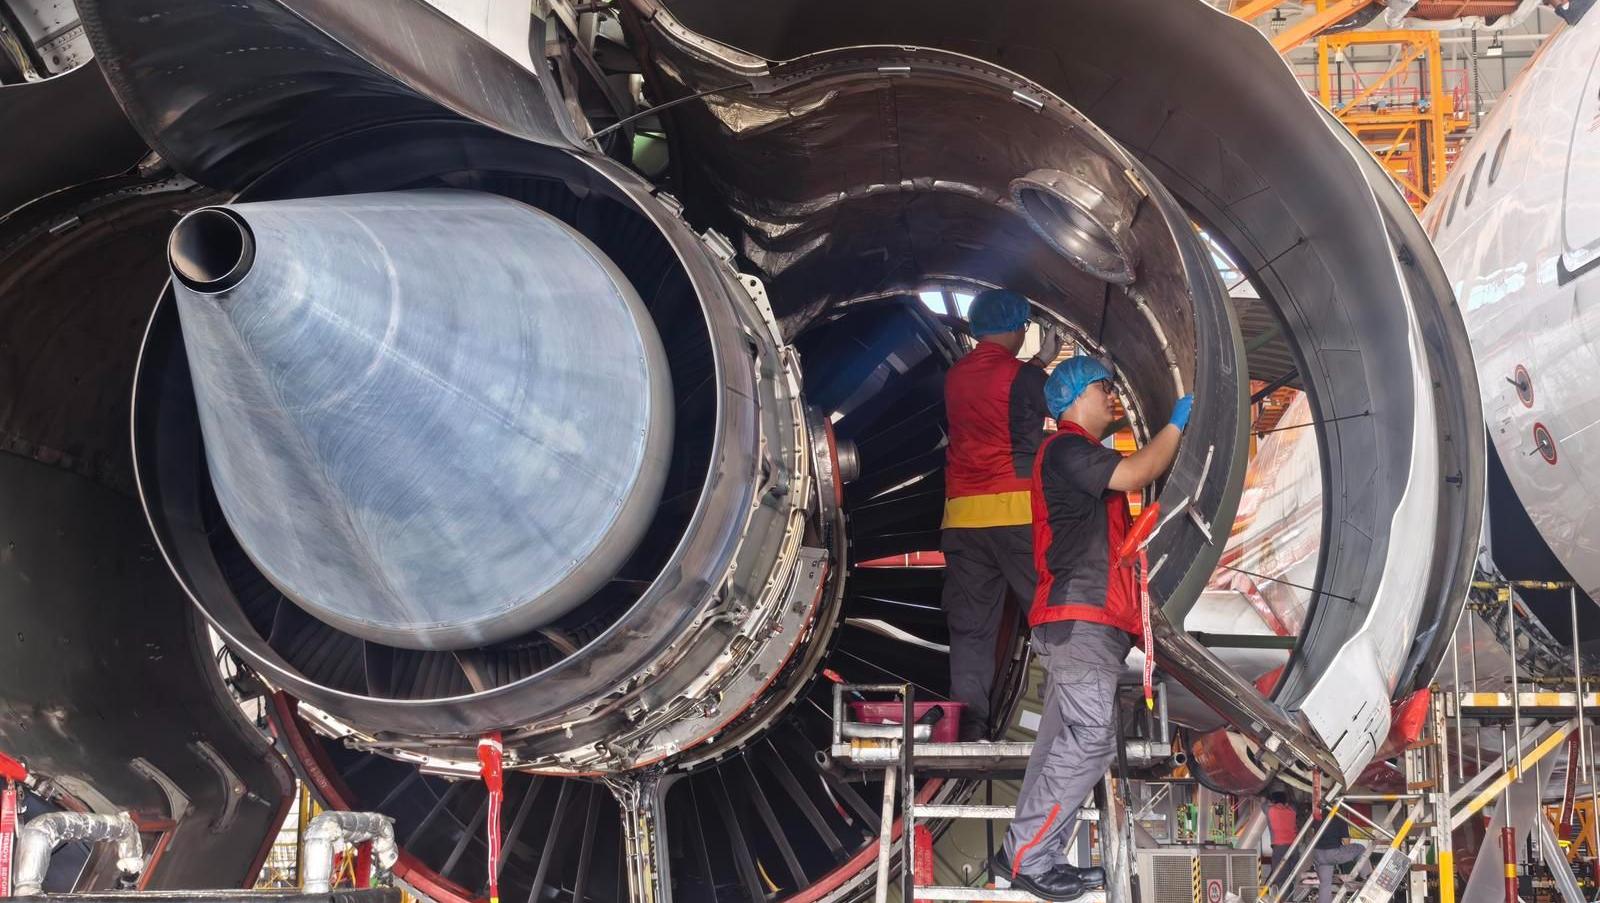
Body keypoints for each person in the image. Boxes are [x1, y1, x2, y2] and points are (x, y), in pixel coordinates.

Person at [990, 357, 1192, 902]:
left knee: (1058, 744)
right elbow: (1136, 472)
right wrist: (1176, 426)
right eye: (1104, 386)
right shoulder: (1066, 449)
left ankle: (1024, 854)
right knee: (1090, 738)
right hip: (1080, 619)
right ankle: (1031, 855)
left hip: (1080, 622)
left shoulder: (1073, 455)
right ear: (1077, 396)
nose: (1113, 396)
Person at [941, 288, 1063, 742]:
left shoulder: (955, 376)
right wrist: (1047, 365)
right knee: (1049, 615)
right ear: (1017, 328)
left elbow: (997, 390)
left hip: (962, 519)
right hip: (1016, 514)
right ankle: (1071, 712)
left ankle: (970, 725)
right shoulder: (1023, 377)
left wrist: (1036, 364)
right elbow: (1064, 405)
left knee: (972, 628)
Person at [1310, 815, 1366, 903]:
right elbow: (1346, 843)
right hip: (1332, 853)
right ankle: (1366, 876)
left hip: (1318, 853)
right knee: (1360, 848)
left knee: (1325, 884)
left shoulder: (1317, 817)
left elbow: (1312, 835)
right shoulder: (1340, 818)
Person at [1266, 791, 1298, 877]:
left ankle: (1282, 886)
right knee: (1292, 874)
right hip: (1294, 846)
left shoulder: (1270, 810)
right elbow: (1293, 804)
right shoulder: (1292, 810)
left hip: (1280, 847)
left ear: (1273, 801)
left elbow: (1263, 802)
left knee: (1279, 875)